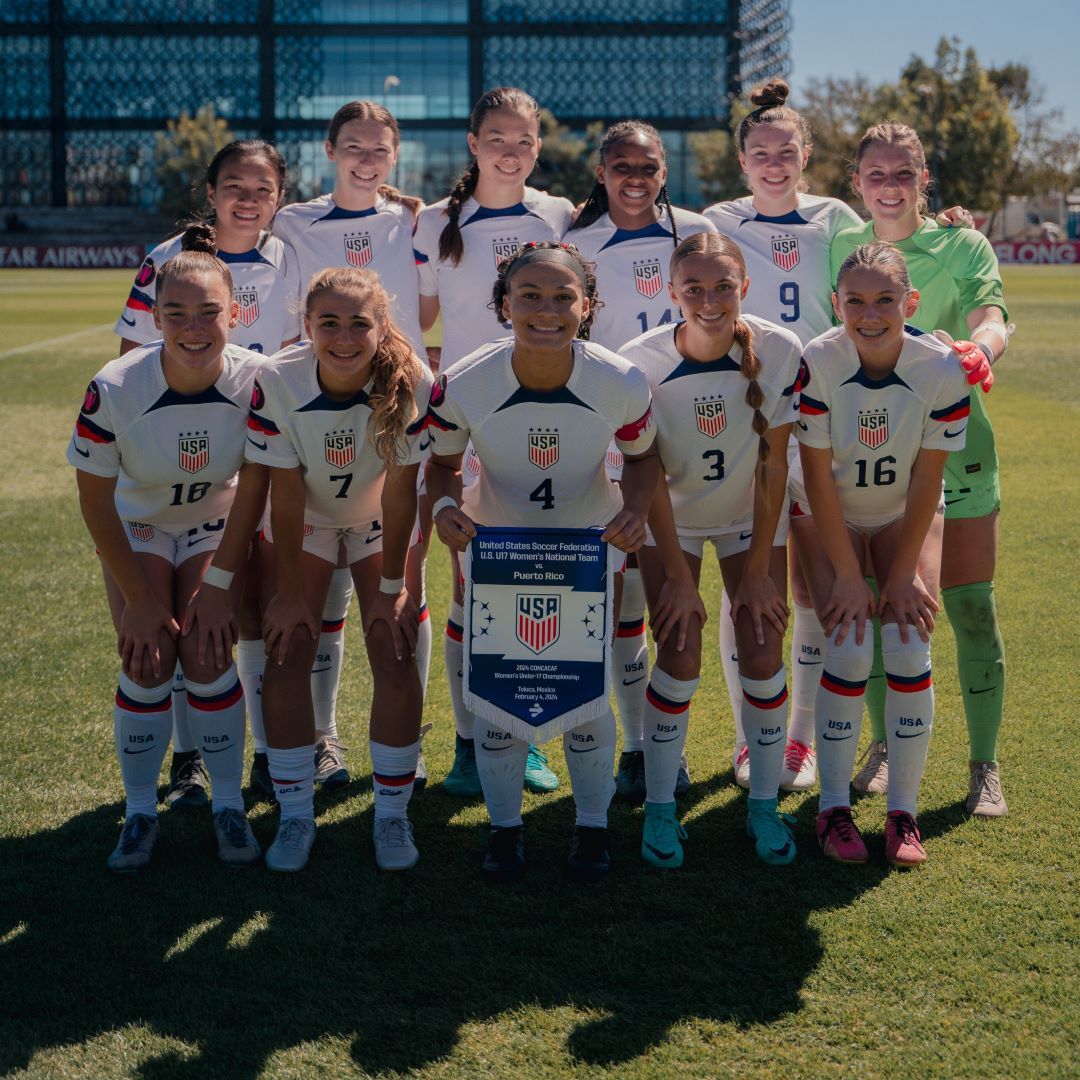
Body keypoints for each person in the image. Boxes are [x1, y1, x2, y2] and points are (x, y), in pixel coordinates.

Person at [421, 241, 687, 882]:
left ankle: (592, 830)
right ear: (504, 304)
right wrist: (445, 508)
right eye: (530, 296)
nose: (546, 310)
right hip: (498, 551)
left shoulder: (618, 380)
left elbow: (645, 458)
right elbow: (441, 465)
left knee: (585, 696)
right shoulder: (465, 381)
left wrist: (635, 510)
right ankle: (504, 831)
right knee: (498, 701)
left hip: (585, 552)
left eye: (563, 297)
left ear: (586, 307)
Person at [190, 266, 433, 872]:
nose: (343, 338)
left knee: (394, 646)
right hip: (306, 522)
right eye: (329, 323)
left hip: (378, 518)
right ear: (306, 325)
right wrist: (290, 591)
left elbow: (401, 490)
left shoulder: (413, 381)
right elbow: (286, 489)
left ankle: (392, 814)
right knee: (288, 647)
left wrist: (395, 586)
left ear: (382, 327)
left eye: (358, 324)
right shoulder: (279, 378)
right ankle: (296, 814)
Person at [115, 141, 302, 809]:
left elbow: (292, 357)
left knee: (241, 616)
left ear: (278, 197)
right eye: (234, 187)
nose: (247, 200)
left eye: (261, 189)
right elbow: (134, 357)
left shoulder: (289, 256)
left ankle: (261, 754)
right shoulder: (169, 258)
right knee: (173, 625)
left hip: (252, 460)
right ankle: (187, 760)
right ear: (211, 191)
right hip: (181, 466)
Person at [69, 235, 265, 872]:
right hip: (140, 524)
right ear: (154, 318)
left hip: (215, 521)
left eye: (208, 311)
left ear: (235, 313)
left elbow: (256, 486)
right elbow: (95, 502)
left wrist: (221, 582)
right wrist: (140, 598)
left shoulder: (257, 381)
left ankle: (228, 805)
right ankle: (139, 813)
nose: (193, 327)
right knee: (148, 656)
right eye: (176, 313)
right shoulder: (116, 386)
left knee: (208, 652)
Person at [831, 122, 1008, 817]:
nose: (889, 186)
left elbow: (991, 314)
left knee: (969, 606)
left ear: (924, 179)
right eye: (875, 174)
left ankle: (984, 765)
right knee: (881, 608)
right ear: (856, 182)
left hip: (959, 450)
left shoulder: (963, 243)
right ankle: (882, 747)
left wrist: (980, 348)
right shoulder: (840, 245)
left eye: (903, 173)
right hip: (872, 454)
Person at [621, 233, 803, 867]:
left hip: (749, 519)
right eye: (693, 288)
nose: (709, 301)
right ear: (670, 292)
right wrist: (675, 575)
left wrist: (758, 571)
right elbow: (646, 473)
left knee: (762, 642)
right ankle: (661, 808)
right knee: (678, 648)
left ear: (744, 288)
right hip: (671, 522)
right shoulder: (639, 362)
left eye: (724, 287)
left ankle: (763, 806)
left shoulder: (779, 350)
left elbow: (774, 464)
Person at [413, 87, 575, 797]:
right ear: (473, 143)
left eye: (524, 140)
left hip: (548, 421)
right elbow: (415, 317)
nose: (511, 151)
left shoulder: (558, 216)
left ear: (538, 147)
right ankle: (469, 741)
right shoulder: (431, 222)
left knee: (534, 579)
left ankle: (526, 735)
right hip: (468, 422)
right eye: (497, 138)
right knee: (469, 584)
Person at [792, 242, 970, 866]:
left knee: (909, 639)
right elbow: (817, 478)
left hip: (902, 512)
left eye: (885, 300)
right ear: (836, 303)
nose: (870, 315)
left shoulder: (942, 368)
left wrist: (900, 574)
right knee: (846, 642)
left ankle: (902, 812)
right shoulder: (819, 360)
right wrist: (848, 573)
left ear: (910, 303)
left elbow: (928, 477)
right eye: (856, 301)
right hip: (826, 511)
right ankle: (833, 808)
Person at [272, 101, 431, 793]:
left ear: (395, 156)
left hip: (397, 405)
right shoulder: (292, 222)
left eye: (379, 149)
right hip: (319, 408)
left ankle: (405, 752)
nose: (366, 160)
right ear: (330, 150)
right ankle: (319, 741)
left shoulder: (414, 219)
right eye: (354, 147)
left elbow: (429, 306)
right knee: (321, 606)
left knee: (402, 604)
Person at [566, 120, 716, 801]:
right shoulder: (576, 242)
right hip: (609, 436)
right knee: (620, 599)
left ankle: (662, 749)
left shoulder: (697, 232)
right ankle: (634, 746)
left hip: (689, 433)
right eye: (621, 166)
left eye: (648, 167)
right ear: (601, 172)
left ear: (664, 172)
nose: (635, 178)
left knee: (666, 600)